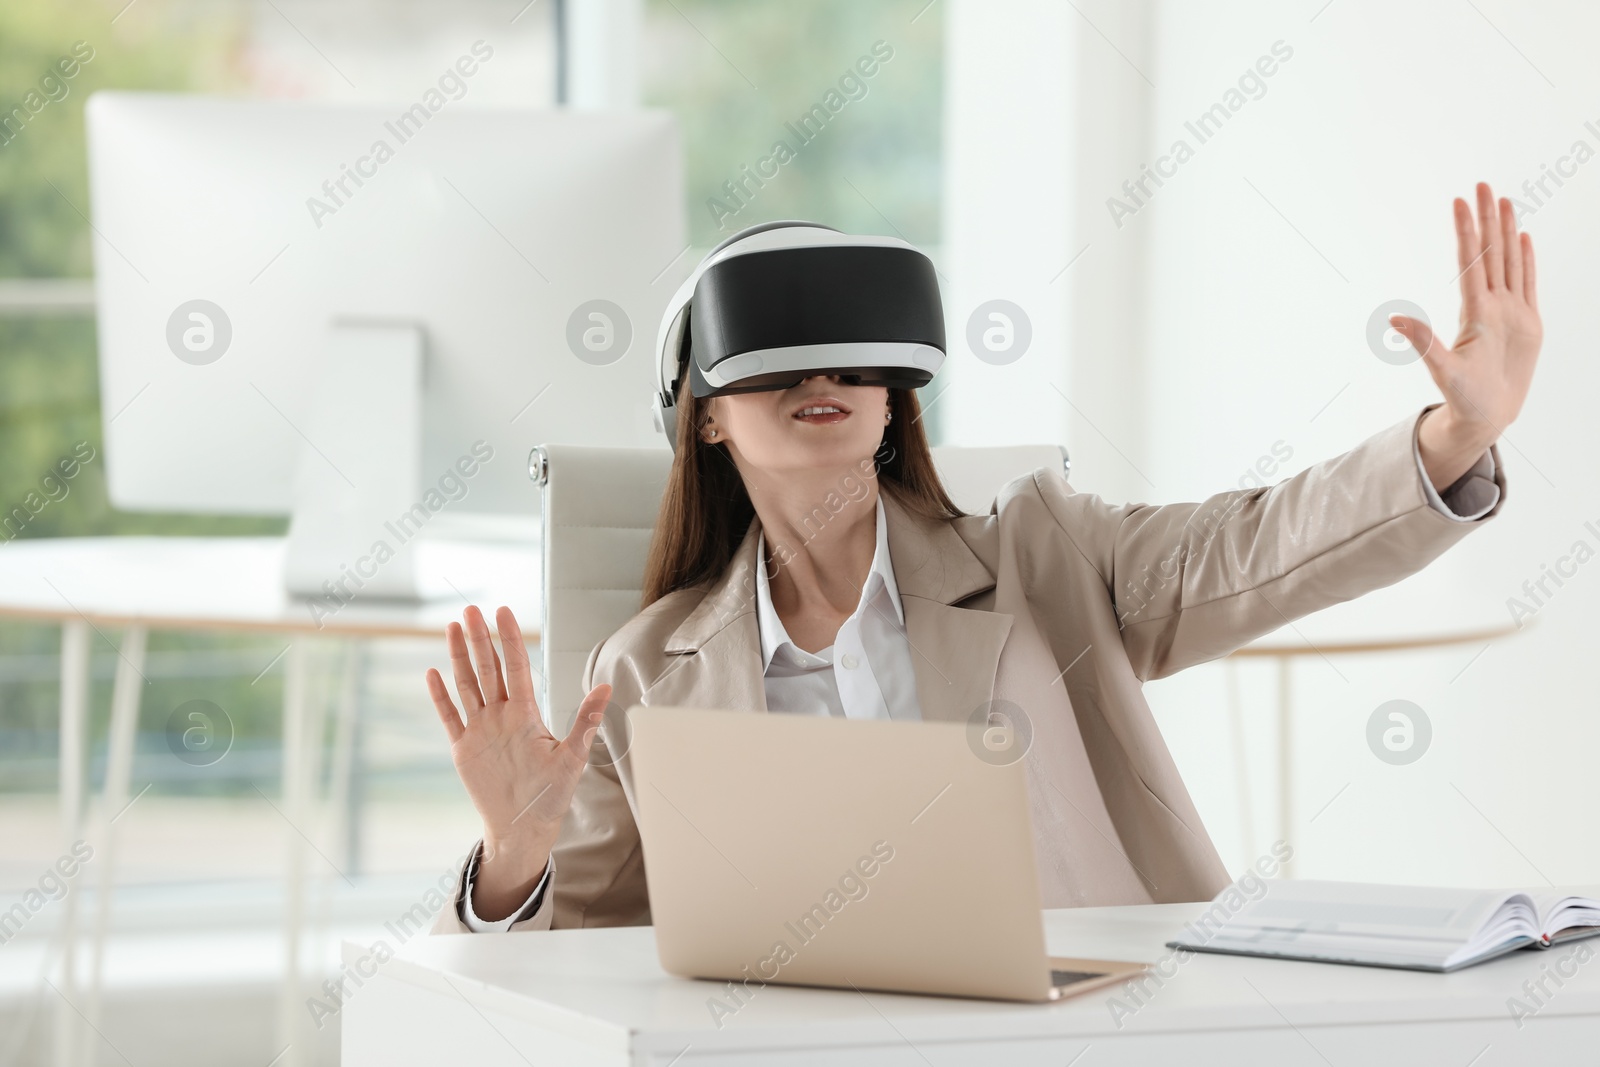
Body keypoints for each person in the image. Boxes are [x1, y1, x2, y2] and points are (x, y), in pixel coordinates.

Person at [427, 183, 1540, 933]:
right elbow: (569, 961)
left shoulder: (1040, 555)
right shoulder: (643, 670)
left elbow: (1254, 545)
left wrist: (1450, 439)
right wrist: (512, 857)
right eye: (780, 359)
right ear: (705, 417)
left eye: (860, 361)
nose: (828, 375)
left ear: (892, 396)